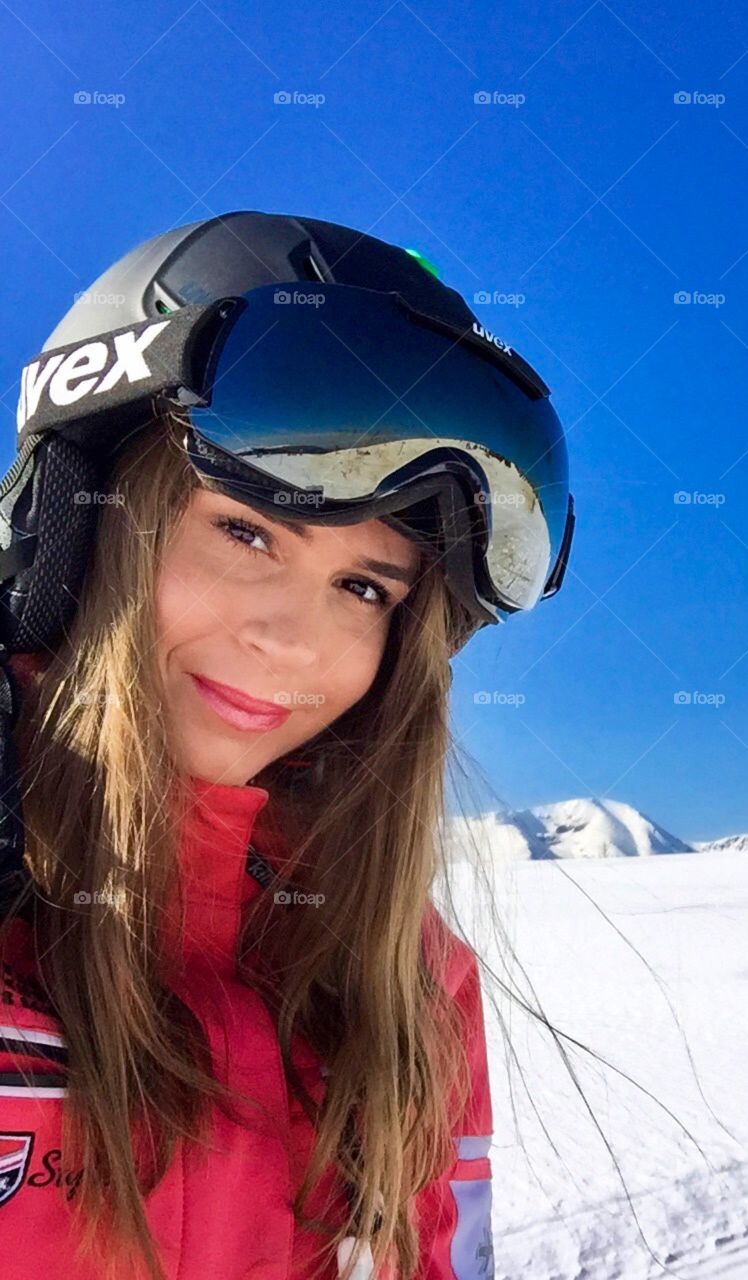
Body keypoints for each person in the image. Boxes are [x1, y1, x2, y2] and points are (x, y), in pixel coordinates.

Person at [0, 212, 575, 1280]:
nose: (293, 641)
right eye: (246, 530)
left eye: (365, 587)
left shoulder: (404, 968)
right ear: (74, 525)